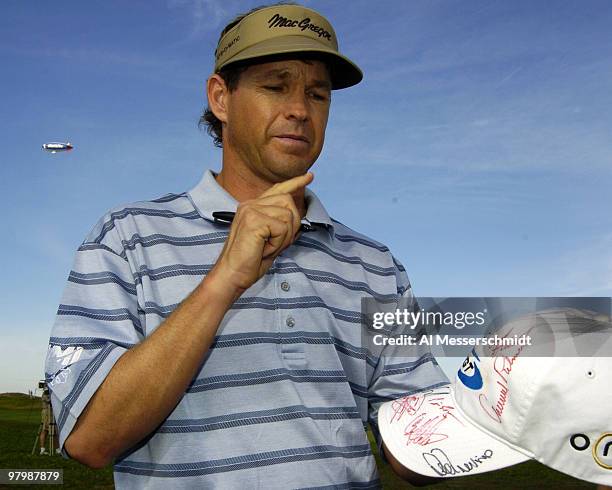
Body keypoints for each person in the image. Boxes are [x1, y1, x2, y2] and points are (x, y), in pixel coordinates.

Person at [45, 3, 448, 488]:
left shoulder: (376, 264)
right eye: (275, 86)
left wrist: (518, 399)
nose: (300, 109)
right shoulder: (126, 237)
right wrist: (224, 280)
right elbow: (90, 440)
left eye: (317, 94)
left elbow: (418, 454)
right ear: (221, 97)